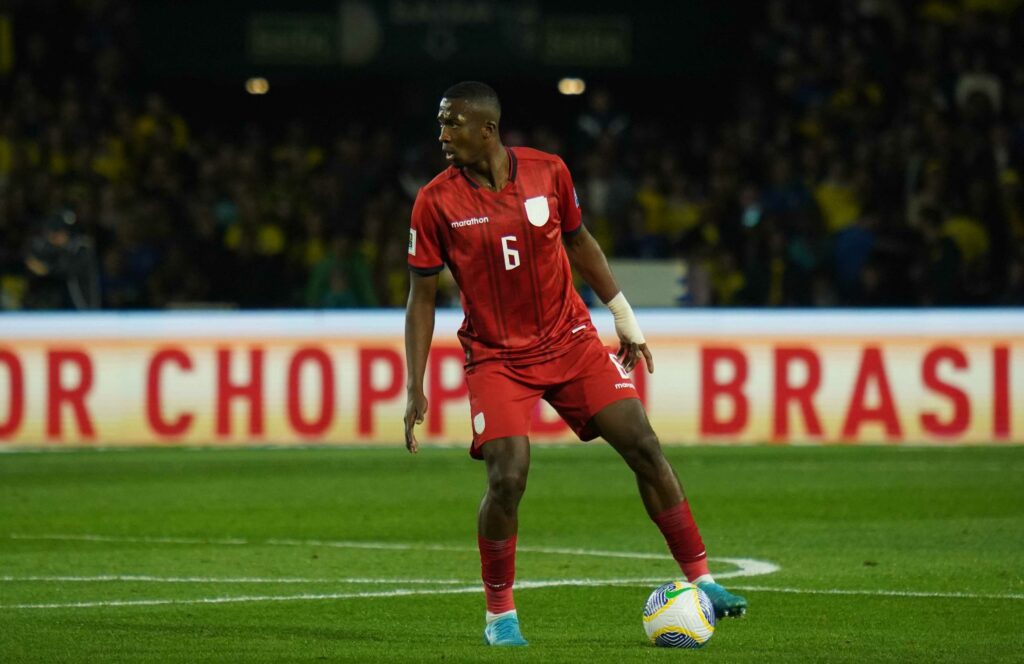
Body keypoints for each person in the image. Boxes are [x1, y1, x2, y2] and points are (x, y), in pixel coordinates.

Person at [403, 82, 747, 647]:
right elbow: (420, 296)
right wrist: (414, 383)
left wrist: (623, 316)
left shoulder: (549, 172)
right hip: (497, 357)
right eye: (441, 124)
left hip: (571, 341)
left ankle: (702, 580)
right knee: (507, 477)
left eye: (452, 124)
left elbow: (581, 242)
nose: (442, 136)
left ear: (487, 130)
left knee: (644, 445)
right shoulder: (435, 202)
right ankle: (500, 616)